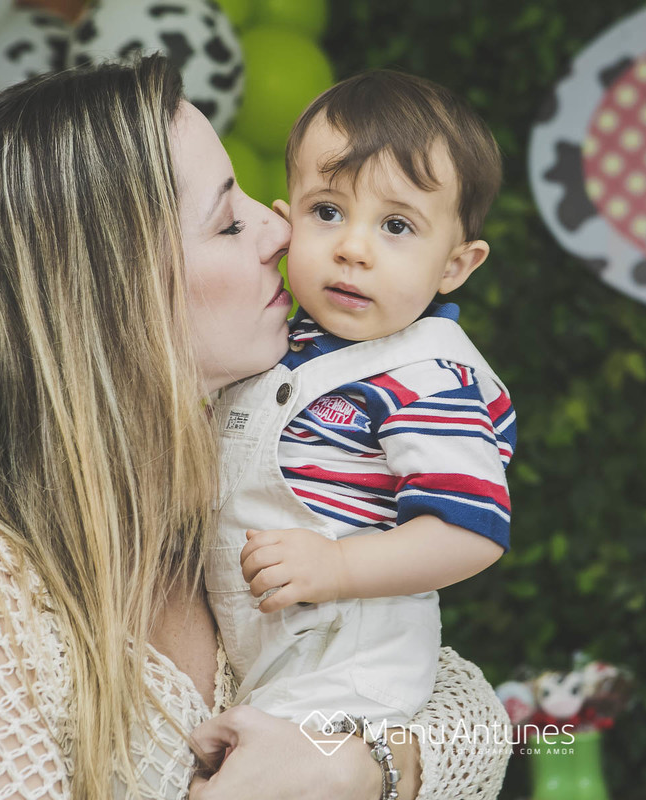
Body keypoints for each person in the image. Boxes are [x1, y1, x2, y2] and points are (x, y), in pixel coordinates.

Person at [0, 56, 510, 799]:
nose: (279, 231)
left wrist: (348, 766)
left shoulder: (208, 496)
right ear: (107, 297)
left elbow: (473, 717)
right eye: (228, 222)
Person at [207, 70, 516, 731]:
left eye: (397, 225)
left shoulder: (425, 378)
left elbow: (471, 530)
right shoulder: (272, 342)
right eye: (328, 212)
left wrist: (342, 565)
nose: (352, 247)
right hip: (260, 659)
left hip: (351, 668)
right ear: (285, 221)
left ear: (455, 266)